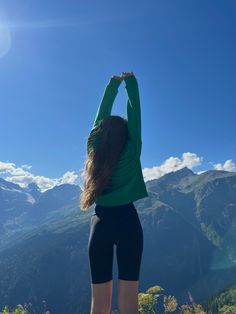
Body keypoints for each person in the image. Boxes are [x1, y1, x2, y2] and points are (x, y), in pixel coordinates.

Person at [80, 71, 149, 314]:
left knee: (99, 305)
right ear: (126, 137)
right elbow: (135, 114)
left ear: (99, 135)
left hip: (100, 224)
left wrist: (112, 86)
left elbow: (100, 118)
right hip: (129, 222)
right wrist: (130, 83)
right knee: (129, 303)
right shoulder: (132, 150)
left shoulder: (94, 150)